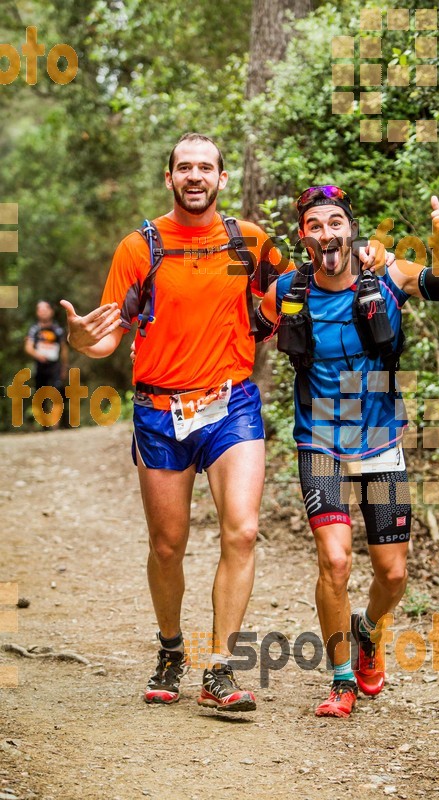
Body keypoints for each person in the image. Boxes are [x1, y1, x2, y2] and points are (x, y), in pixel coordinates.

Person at [60, 133, 289, 713]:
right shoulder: (140, 248)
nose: (195, 176)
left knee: (241, 529)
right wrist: (80, 339)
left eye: (205, 167)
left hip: (232, 404)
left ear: (222, 179)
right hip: (160, 410)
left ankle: (220, 667)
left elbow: (292, 295)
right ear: (169, 179)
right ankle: (170, 649)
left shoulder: (252, 242)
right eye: (184, 167)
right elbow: (109, 331)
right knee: (168, 546)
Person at [255, 185, 439, 718]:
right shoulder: (287, 291)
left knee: (391, 575)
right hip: (319, 442)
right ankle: (340, 678)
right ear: (303, 237)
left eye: (335, 222)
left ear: (351, 230)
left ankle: (368, 632)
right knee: (335, 561)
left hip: (382, 441)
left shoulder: (389, 277)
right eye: (314, 225)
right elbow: (234, 335)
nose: (326, 233)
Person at [25, 300, 69, 426]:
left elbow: (64, 349)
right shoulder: (34, 329)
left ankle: (55, 424)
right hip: (39, 366)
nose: (43, 312)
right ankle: (44, 423)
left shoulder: (58, 330)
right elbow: (28, 347)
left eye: (45, 309)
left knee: (56, 392)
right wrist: (37, 355)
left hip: (55, 365)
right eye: (40, 309)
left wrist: (64, 367)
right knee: (40, 393)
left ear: (51, 311)